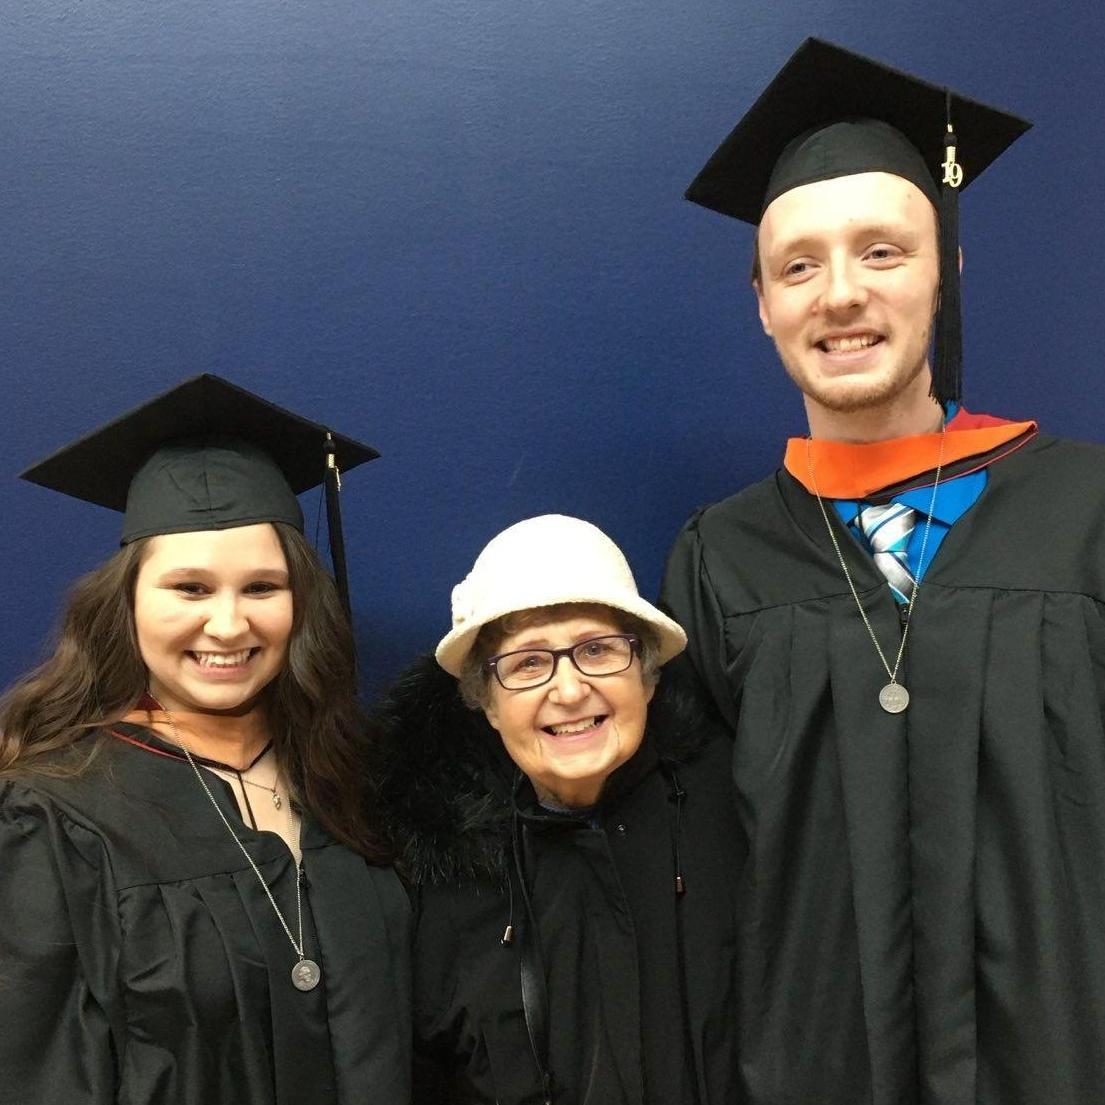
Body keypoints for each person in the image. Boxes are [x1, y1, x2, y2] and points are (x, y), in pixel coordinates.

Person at [662, 37, 1105, 1105]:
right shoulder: (718, 558)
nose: (839, 294)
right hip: (811, 1066)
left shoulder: (1084, 510)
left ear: (945, 271)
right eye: (798, 265)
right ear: (762, 301)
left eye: (881, 251)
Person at [0, 375, 410, 1105]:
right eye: (189, 588)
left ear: (301, 602)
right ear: (125, 603)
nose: (227, 625)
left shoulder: (345, 775)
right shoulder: (56, 815)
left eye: (261, 587)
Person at [374, 514, 742, 1104]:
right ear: (485, 704)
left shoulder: (736, 824)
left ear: (647, 678)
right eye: (527, 663)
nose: (569, 690)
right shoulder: (435, 889)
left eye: (597, 650)